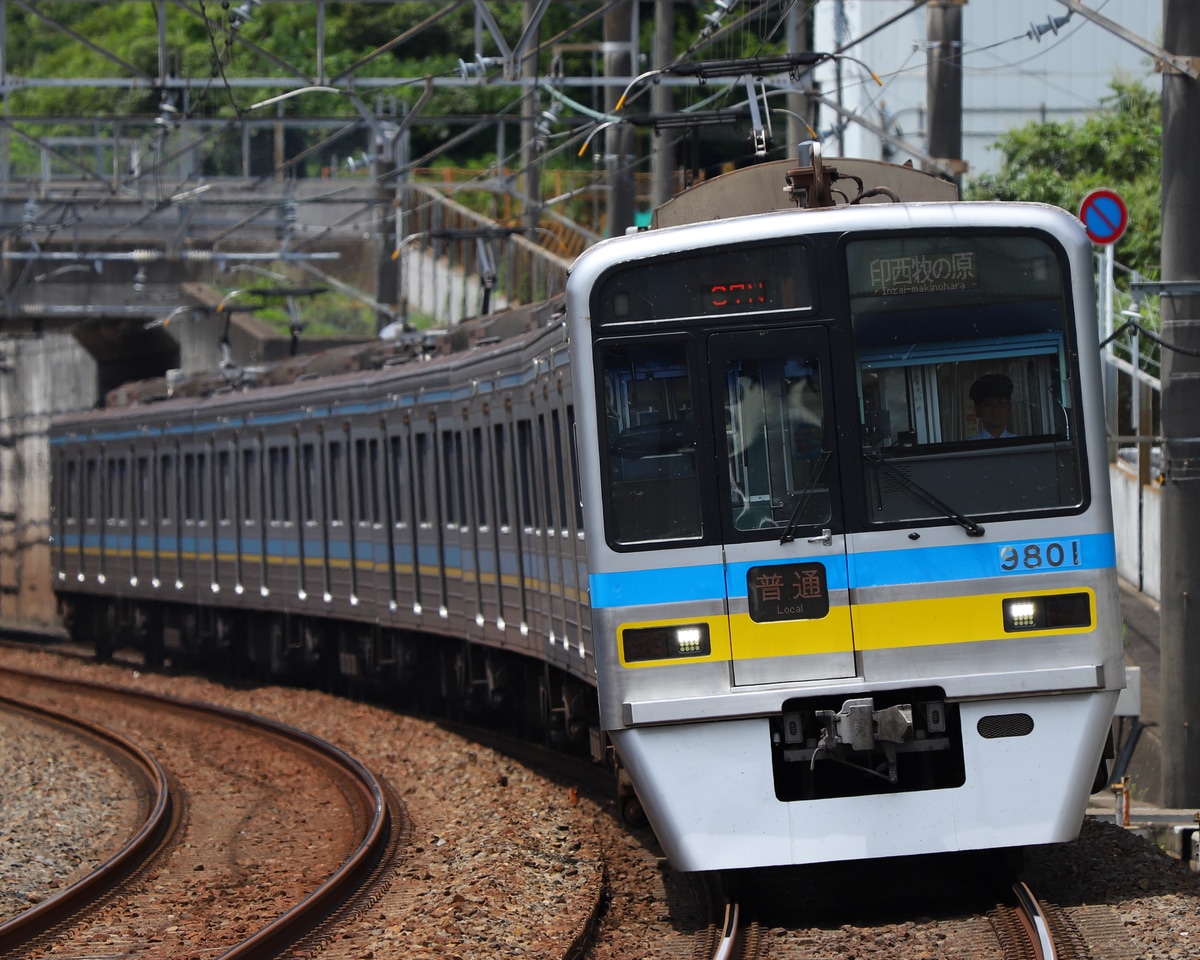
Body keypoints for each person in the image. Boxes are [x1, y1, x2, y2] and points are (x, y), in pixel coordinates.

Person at [969, 373, 1016, 439]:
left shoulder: (1022, 444)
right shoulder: (969, 446)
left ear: (1009, 407)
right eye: (987, 404)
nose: (995, 409)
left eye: (1000, 403)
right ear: (977, 410)